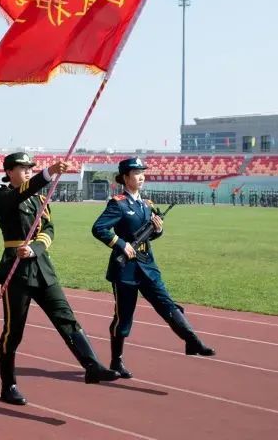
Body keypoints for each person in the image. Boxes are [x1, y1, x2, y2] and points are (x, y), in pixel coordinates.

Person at [0, 152, 118, 406]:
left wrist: (35, 248)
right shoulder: (3, 196)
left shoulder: (40, 198)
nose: (28, 170)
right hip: (16, 270)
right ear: (9, 172)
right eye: (22, 168)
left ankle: (91, 366)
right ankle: (9, 385)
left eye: (30, 167)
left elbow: (49, 229)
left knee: (66, 317)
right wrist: (48, 173)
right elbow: (22, 193)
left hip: (42, 268)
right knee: (13, 331)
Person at [92, 158, 215, 378]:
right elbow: (99, 228)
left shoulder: (147, 204)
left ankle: (192, 341)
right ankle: (116, 361)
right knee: (123, 317)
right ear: (125, 177)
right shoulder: (118, 204)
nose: (141, 177)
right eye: (136, 173)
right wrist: (121, 244)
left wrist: (157, 230)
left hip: (147, 265)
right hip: (125, 268)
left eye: (142, 173)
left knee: (166, 303)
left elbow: (149, 236)